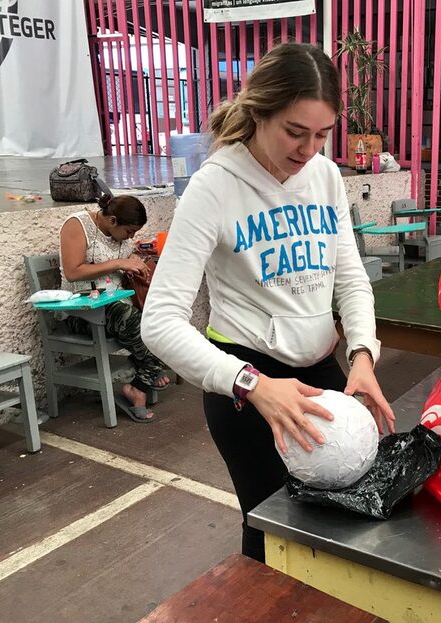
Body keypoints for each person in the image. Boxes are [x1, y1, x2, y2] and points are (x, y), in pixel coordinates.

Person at [141, 42, 395, 563]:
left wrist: (363, 357)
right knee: (272, 531)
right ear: (259, 112)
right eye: (294, 132)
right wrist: (252, 385)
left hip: (322, 372)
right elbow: (160, 322)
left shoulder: (324, 176)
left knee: (340, 525)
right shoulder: (213, 188)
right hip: (248, 383)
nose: (308, 150)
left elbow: (350, 279)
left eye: (322, 134)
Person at [60, 194, 170, 422]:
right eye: (129, 232)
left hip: (117, 305)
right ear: (112, 221)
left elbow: (122, 258)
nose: (131, 237)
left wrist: (133, 264)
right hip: (83, 309)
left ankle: (140, 383)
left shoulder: (119, 235)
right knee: (135, 322)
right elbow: (72, 271)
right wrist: (120, 263)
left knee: (162, 322)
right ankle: (145, 375)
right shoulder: (77, 225)